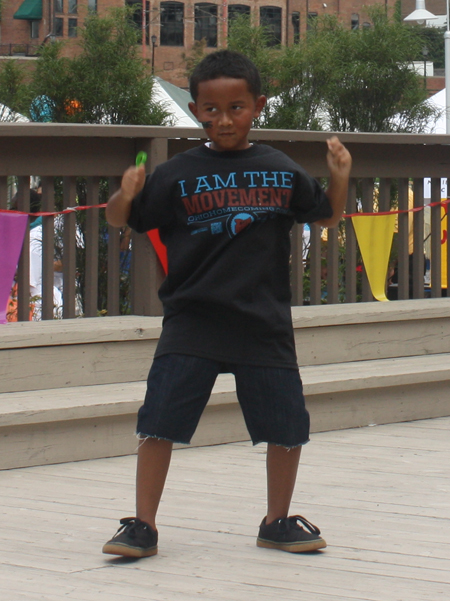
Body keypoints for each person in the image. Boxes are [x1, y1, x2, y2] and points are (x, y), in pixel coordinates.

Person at [102, 50, 352, 558]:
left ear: (257, 106)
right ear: (196, 110)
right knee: (159, 422)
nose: (224, 119)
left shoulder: (280, 169)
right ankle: (142, 526)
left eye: (236, 107)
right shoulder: (176, 173)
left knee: (286, 427)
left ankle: (277, 521)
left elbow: (326, 216)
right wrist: (124, 195)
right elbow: (117, 221)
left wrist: (340, 174)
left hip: (263, 320)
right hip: (193, 318)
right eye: (211, 110)